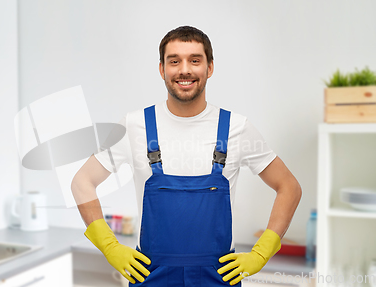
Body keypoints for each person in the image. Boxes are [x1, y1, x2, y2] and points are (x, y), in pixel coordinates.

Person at [71, 26, 301, 286]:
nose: (184, 70)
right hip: (150, 276)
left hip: (218, 277)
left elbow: (289, 187)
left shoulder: (237, 127)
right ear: (162, 69)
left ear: (210, 68)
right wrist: (109, 246)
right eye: (174, 61)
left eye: (195, 60)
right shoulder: (134, 125)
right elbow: (82, 182)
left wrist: (262, 252)